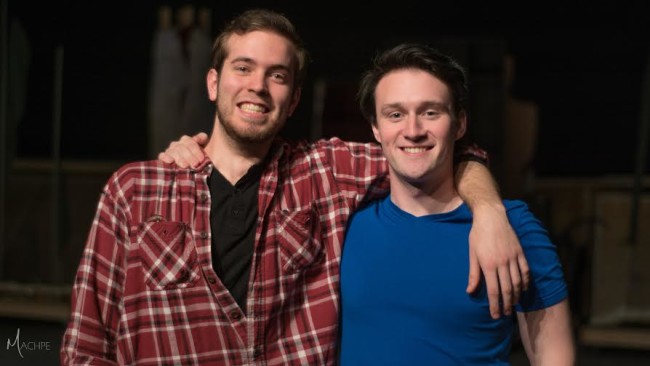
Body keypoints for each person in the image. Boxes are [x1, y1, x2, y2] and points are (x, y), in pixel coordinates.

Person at [61, 9, 529, 365]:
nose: (258, 86)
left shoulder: (324, 172)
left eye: (277, 76)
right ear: (212, 82)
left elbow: (442, 151)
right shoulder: (135, 190)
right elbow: (86, 342)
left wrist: (488, 211)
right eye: (243, 68)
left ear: (294, 99)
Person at [338, 43, 575, 365]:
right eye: (395, 114)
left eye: (430, 112)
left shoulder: (512, 226)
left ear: (459, 124)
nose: (413, 131)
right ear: (376, 129)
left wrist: (490, 212)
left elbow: (554, 356)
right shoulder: (347, 225)